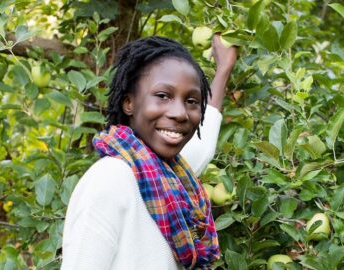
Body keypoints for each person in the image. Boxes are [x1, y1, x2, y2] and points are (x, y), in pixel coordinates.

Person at [61, 35, 238, 269]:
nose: (180, 113)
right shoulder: (111, 178)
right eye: (163, 96)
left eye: (191, 101)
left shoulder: (169, 177)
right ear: (129, 103)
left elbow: (202, 146)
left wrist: (223, 69)